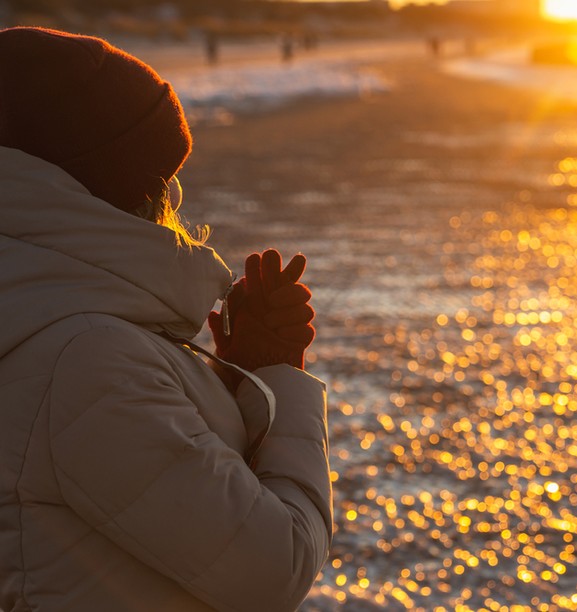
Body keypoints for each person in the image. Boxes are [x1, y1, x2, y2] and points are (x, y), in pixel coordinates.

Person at [0, 26, 332, 611]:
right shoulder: (86, 360)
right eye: (163, 178)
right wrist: (280, 379)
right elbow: (273, 568)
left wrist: (239, 385)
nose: (174, 200)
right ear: (110, 188)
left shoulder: (45, 318)